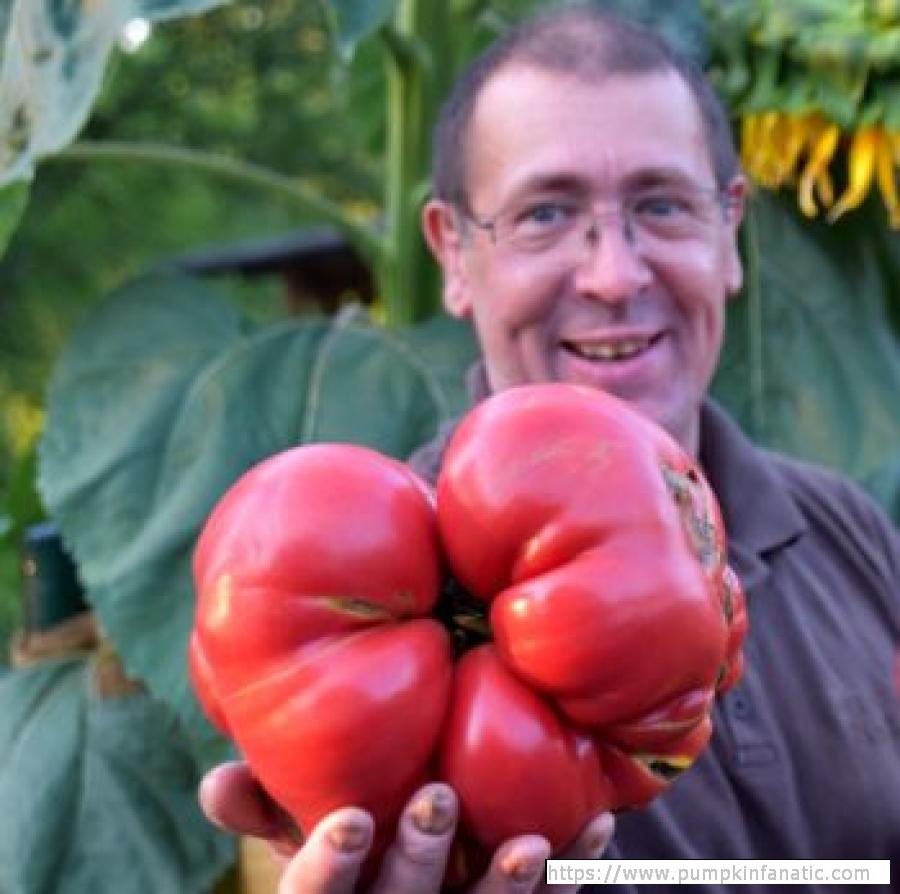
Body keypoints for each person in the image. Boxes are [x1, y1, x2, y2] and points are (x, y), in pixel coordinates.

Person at [199, 6, 900, 892]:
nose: (614, 274)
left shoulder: (846, 529)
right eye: (544, 213)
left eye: (662, 204)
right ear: (453, 253)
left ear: (730, 233)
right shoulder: (325, 591)